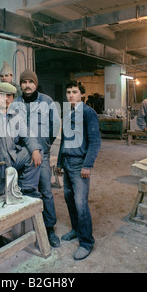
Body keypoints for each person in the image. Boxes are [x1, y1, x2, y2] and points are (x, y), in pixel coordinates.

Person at [13, 69, 61, 248]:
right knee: (23, 190)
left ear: (35, 83)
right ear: (21, 84)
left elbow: (55, 124)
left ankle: (49, 228)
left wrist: (46, 144)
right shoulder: (15, 103)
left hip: (42, 153)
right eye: (24, 82)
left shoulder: (46, 101)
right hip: (22, 155)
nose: (27, 85)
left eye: (30, 82)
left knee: (46, 190)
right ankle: (26, 227)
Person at [55, 80, 101, 260]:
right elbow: (64, 141)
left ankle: (87, 242)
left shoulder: (89, 113)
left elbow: (95, 141)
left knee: (81, 203)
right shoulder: (68, 112)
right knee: (69, 199)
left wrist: (87, 165)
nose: (71, 95)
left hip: (79, 164)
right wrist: (59, 162)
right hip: (66, 163)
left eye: (74, 92)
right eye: (68, 92)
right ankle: (76, 229)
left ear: (82, 94)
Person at [0, 82, 43, 198]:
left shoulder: (15, 116)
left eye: (9, 95)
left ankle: (26, 190)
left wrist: (35, 150)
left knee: (37, 151)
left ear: (13, 98)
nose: (5, 99)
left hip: (11, 161)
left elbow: (27, 134)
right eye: (2, 95)